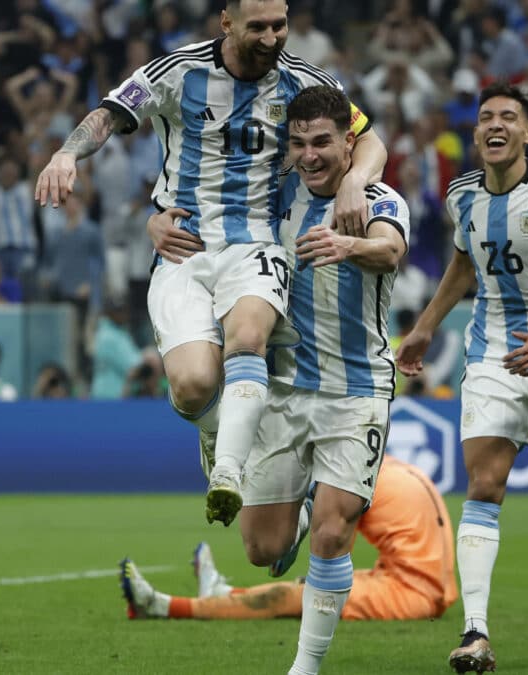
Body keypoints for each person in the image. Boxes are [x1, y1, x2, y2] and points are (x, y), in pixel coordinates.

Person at [34, 0, 387, 527]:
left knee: (248, 339)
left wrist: (356, 181)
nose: (272, 38)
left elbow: (369, 139)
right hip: (183, 250)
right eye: (258, 27)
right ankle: (214, 435)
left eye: (280, 25)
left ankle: (228, 473)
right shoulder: (178, 72)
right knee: (194, 384)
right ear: (227, 23)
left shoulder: (300, 81)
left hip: (257, 245)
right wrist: (67, 153)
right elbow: (108, 113)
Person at [147, 85, 407, 674]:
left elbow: (390, 251)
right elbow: (206, 208)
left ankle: (305, 668)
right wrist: (155, 224)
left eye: (322, 142)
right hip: (281, 391)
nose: (310, 155)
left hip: (356, 392)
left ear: (348, 142)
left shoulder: (378, 197)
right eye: (298, 144)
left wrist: (349, 243)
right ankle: (249, 457)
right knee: (265, 552)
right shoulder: (272, 201)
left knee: (335, 534)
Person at [395, 83, 528, 674]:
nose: (495, 124)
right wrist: (425, 327)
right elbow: (464, 263)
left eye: (509, 117)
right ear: (476, 135)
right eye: (486, 117)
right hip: (491, 356)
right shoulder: (461, 195)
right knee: (484, 484)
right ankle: (476, 633)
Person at [120, 455, 457, 622]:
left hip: (411, 594)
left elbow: (335, 551)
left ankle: (164, 606)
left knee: (296, 596)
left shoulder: (355, 481)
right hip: (430, 584)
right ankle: (221, 594)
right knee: (304, 588)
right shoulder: (394, 468)